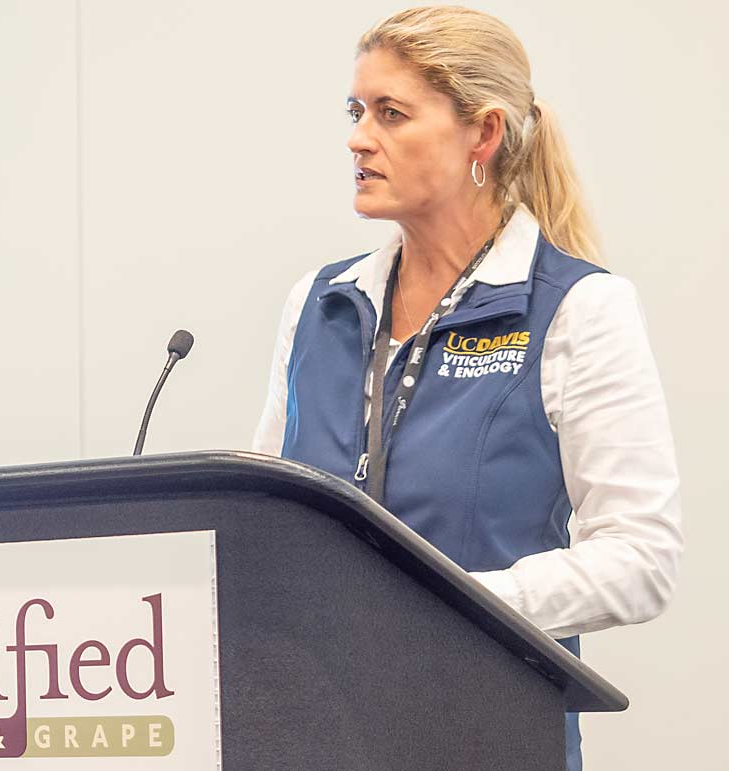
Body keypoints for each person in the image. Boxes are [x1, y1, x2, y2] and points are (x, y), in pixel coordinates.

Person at [251, 6, 683, 771]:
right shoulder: (317, 304)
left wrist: (449, 607)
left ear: (482, 135)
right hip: (315, 736)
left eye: (390, 113)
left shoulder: (578, 308)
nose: (357, 137)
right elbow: (260, 524)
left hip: (487, 736)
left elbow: (641, 559)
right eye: (356, 111)